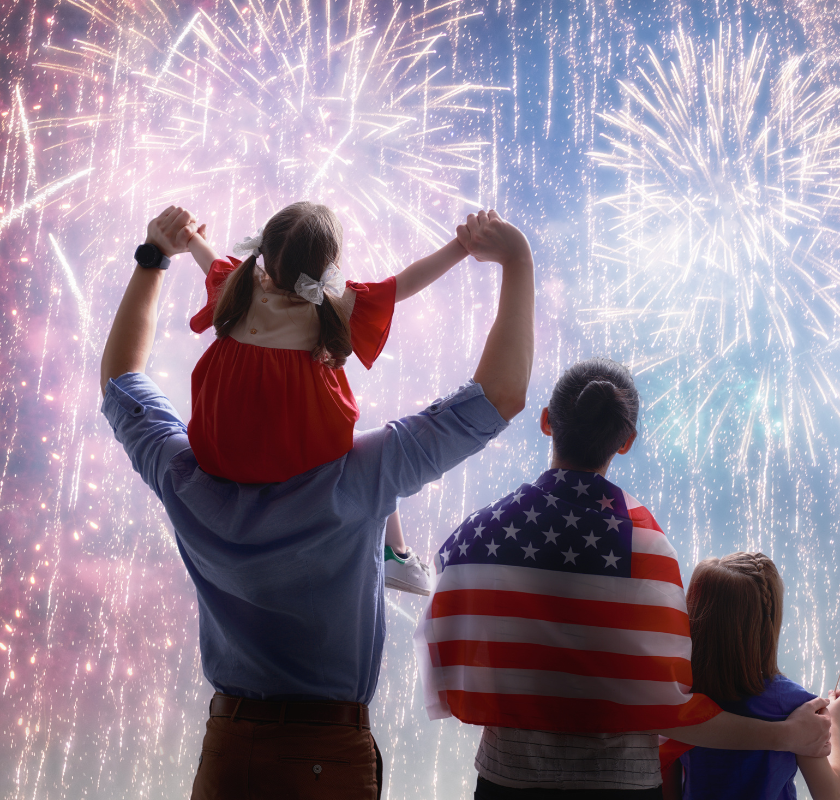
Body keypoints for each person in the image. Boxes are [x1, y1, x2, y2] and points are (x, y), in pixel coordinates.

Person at [102, 205, 534, 799]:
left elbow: (120, 380)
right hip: (324, 759)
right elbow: (498, 398)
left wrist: (152, 258)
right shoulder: (361, 477)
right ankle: (398, 559)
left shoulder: (184, 478)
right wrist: (515, 261)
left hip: (226, 753)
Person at [415, 359, 833, 798]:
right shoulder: (646, 546)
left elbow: (454, 656)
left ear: (546, 422)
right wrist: (786, 736)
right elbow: (663, 708)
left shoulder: (481, 534)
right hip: (620, 787)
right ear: (626, 441)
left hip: (508, 782)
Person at [182, 202, 472, 595]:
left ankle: (386, 552)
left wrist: (192, 238)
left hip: (220, 451)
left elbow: (210, 259)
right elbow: (404, 283)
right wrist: (462, 246)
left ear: (264, 251)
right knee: (377, 457)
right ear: (328, 266)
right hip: (299, 461)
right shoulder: (334, 304)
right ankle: (394, 555)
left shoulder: (240, 282)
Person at [662, 553, 840, 800]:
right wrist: (835, 725)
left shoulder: (680, 696)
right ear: (769, 623)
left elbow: (670, 786)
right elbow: (829, 794)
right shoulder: (797, 706)